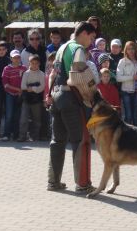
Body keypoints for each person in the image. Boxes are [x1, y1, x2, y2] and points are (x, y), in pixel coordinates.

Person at [46, 21, 96, 193]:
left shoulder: (61, 48)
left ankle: (53, 182)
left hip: (56, 97)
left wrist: (49, 95)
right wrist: (90, 96)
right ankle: (83, 184)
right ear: (84, 33)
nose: (92, 41)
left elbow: (52, 74)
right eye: (92, 37)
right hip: (71, 99)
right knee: (80, 140)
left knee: (57, 141)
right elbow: (78, 78)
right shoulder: (78, 50)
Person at [0, 50, 27, 141]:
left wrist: (21, 91)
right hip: (10, 94)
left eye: (18, 57)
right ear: (11, 58)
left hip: (20, 95)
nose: (16, 59)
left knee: (17, 115)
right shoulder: (6, 69)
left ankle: (16, 135)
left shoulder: (24, 68)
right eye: (14, 57)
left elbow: (26, 81)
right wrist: (17, 90)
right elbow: (5, 84)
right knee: (9, 115)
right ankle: (6, 134)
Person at [18, 55, 45, 142]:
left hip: (37, 100)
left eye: (36, 63)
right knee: (23, 119)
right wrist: (35, 86)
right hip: (26, 99)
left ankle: (35, 136)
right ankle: (22, 136)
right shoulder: (26, 73)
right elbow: (23, 86)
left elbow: (42, 87)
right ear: (29, 63)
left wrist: (32, 88)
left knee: (37, 119)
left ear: (39, 64)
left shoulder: (41, 74)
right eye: (32, 63)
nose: (34, 65)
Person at [116, 41, 137, 125]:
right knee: (128, 116)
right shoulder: (122, 61)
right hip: (125, 92)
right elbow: (118, 78)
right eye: (129, 49)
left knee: (136, 115)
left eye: (133, 48)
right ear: (126, 50)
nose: (131, 51)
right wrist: (132, 77)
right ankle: (127, 135)